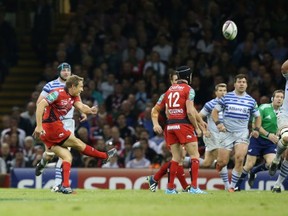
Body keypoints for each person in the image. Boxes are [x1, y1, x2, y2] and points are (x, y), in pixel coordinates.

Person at [33, 75, 117, 194]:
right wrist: (39, 126)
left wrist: (90, 110)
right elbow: (41, 105)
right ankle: (104, 156)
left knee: (67, 157)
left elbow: (82, 107)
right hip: (51, 127)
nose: (82, 89)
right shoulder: (57, 93)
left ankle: (65, 186)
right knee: (78, 144)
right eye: (81, 87)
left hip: (53, 130)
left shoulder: (74, 95)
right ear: (72, 86)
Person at [150, 65, 206, 194]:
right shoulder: (189, 89)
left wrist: (156, 123)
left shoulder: (168, 91)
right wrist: (197, 128)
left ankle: (169, 188)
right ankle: (194, 187)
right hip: (183, 125)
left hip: (170, 126)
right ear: (188, 76)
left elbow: (157, 109)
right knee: (195, 155)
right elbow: (190, 111)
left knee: (176, 158)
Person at [35, 62, 87, 192]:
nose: (66, 72)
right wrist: (40, 123)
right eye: (64, 70)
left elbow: (77, 101)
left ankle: (58, 185)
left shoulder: (73, 85)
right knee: (49, 155)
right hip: (52, 122)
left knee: (64, 154)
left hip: (68, 122)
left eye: (68, 70)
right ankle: (42, 163)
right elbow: (39, 103)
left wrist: (82, 112)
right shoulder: (50, 85)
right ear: (59, 72)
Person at [211, 74, 261, 192]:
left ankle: (232, 187)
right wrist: (219, 124)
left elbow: (258, 117)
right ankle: (217, 163)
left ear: (247, 84)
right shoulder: (226, 97)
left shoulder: (251, 101)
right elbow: (214, 112)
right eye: (239, 82)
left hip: (242, 133)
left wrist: (257, 130)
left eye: (244, 82)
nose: (242, 84)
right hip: (226, 132)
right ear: (234, 84)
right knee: (222, 162)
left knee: (239, 158)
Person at [147, 71, 192, 192]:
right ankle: (176, 185)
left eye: (179, 80)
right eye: (175, 80)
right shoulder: (166, 95)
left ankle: (157, 179)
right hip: (172, 128)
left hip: (182, 127)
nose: (177, 82)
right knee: (178, 157)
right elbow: (154, 110)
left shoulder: (185, 91)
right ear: (171, 81)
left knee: (179, 158)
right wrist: (155, 124)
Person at [235, 90, 284, 190]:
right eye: (277, 97)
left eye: (281, 97)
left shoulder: (284, 112)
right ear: (272, 99)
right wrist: (268, 134)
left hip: (270, 142)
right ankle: (236, 187)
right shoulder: (263, 108)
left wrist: (279, 133)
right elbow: (255, 125)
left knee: (272, 163)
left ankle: (254, 172)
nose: (279, 99)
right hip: (257, 139)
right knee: (249, 164)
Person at [199, 83, 230, 190]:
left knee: (207, 163)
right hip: (212, 136)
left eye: (224, 90)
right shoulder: (210, 104)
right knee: (221, 159)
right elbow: (199, 117)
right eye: (220, 90)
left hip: (224, 137)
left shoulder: (229, 104)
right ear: (216, 92)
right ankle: (228, 186)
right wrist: (204, 130)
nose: (222, 92)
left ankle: (185, 160)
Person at [269, 59, 288, 193]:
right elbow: (283, 68)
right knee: (286, 137)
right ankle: (276, 158)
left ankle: (277, 185)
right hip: (286, 115)